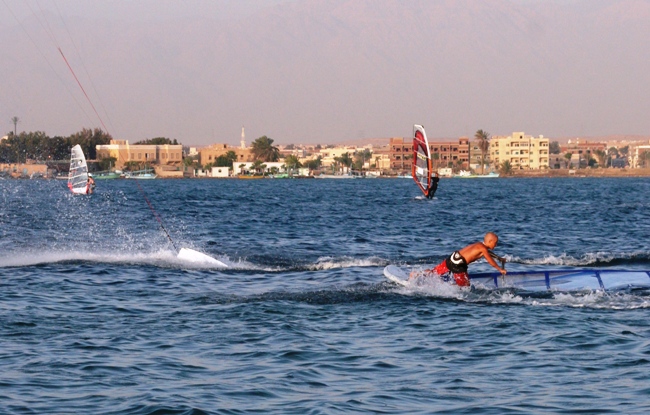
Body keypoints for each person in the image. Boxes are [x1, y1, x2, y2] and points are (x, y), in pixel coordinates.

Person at [413, 232, 506, 287]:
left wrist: (499, 258)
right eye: (495, 243)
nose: (496, 245)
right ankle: (446, 288)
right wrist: (500, 269)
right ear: (490, 241)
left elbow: (487, 253)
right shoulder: (483, 249)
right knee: (465, 287)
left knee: (434, 272)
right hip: (459, 264)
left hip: (453, 257)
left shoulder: (479, 245)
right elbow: (490, 261)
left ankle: (416, 274)